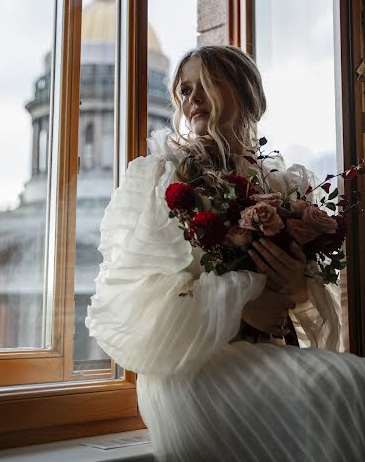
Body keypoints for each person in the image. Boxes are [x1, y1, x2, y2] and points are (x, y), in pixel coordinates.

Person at [86, 45, 365, 461]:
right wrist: (239, 307)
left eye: (208, 85)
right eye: (184, 90)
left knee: (350, 382)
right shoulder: (162, 174)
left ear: (247, 95)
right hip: (191, 368)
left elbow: (304, 307)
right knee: (344, 385)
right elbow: (134, 299)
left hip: (262, 354)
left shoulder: (279, 183)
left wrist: (294, 285)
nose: (192, 99)